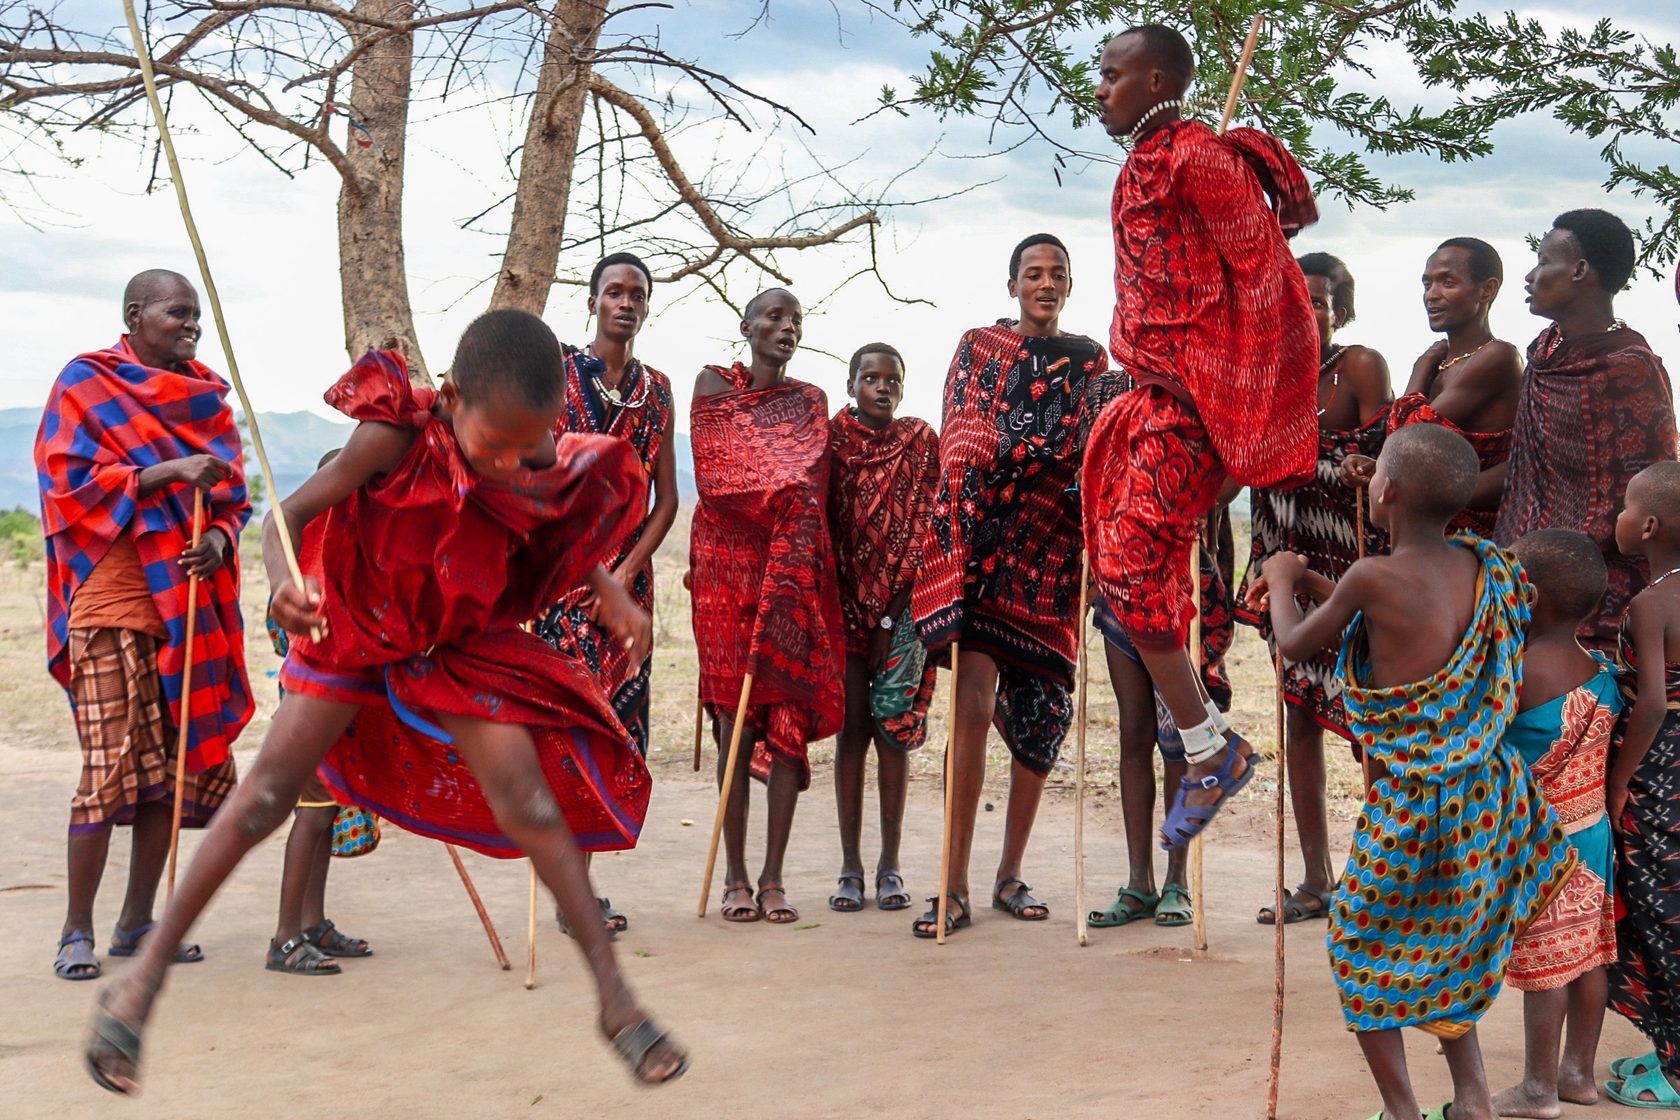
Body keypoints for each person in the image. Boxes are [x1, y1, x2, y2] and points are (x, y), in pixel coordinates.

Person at [82, 309, 688, 1093]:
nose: (508, 463)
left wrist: (609, 589)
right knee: (265, 797)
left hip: (453, 637)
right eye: (492, 444)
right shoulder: (393, 437)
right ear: (453, 396)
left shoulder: (526, 446)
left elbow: (550, 526)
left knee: (532, 806)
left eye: (522, 447)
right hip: (354, 625)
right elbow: (286, 518)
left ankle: (617, 1001)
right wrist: (286, 581)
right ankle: (138, 987)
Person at [1252, 424, 1574, 1120]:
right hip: (1489, 794)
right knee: (1446, 941)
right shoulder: (1484, 566)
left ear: (1387, 489)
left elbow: (1295, 641)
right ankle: (1472, 1100)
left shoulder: (1373, 578)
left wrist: (1283, 580)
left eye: (1374, 478)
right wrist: (1319, 581)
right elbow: (1408, 612)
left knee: (1359, 946)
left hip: (1413, 802)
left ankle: (1404, 1112)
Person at [1086, 24, 1320, 851]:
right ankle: (1209, 745)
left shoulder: (1200, 159)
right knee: (1122, 574)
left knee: (1128, 563)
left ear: (1155, 81)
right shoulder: (1142, 162)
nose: (1098, 88)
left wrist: (1227, 395)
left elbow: (1269, 279)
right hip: (1152, 398)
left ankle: (1209, 748)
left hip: (1189, 406)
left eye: (1111, 75)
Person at [36, 270, 251, 982]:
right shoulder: (86, 383)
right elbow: (66, 484)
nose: (191, 325)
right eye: (177, 313)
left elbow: (232, 496)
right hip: (108, 603)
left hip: (184, 605)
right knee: (107, 768)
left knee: (170, 772)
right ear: (135, 315)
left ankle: (135, 922)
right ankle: (76, 931)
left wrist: (218, 539)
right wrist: (166, 472)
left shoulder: (206, 397)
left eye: (195, 315)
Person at [909, 234, 1105, 938]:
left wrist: (1086, 542)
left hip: (1051, 553)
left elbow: (1088, 450)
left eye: (1056, 274)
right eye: (1033, 273)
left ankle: (1008, 875)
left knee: (1043, 718)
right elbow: (960, 434)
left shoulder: (1088, 360)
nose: (1044, 283)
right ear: (1013, 283)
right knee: (970, 705)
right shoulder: (979, 347)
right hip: (983, 547)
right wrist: (1012, 462)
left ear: (1070, 285)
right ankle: (952, 885)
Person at [1236, 251, 1390, 925]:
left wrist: (1364, 462)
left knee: (1373, 720)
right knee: (1298, 713)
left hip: (1351, 561)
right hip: (1288, 560)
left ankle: (1382, 877)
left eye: (1321, 302)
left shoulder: (1360, 366)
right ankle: (1315, 878)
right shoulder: (1262, 376)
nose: (1309, 312)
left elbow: (1395, 450)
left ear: (1340, 309)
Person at [689, 287, 845, 925]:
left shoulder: (810, 403)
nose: (786, 328)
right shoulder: (710, 385)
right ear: (746, 326)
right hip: (725, 570)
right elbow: (718, 475)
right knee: (734, 720)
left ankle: (774, 877)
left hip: (790, 575)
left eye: (796, 321)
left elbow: (812, 492)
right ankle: (734, 878)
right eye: (775, 317)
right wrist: (781, 496)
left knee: (784, 722)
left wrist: (789, 519)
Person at [535, 251, 677, 938]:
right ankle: (570, 894)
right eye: (614, 292)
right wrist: (590, 570)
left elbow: (666, 499)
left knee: (613, 737)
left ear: (647, 306)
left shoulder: (658, 391)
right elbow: (537, 476)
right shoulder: (556, 374)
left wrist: (624, 576)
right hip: (562, 584)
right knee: (568, 734)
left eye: (637, 295)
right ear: (592, 300)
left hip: (630, 587)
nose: (625, 303)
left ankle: (585, 886)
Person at [1495, 209, 1678, 649]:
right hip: (1521, 586)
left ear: (1578, 271)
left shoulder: (1628, 368)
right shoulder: (1544, 352)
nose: (1529, 276)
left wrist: (1555, 558)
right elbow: (1525, 467)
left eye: (1542, 262)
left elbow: (1651, 491)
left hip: (1597, 605)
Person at [1489, 529, 1620, 1117]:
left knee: (1545, 959)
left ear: (1529, 595)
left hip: (1541, 843)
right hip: (1593, 834)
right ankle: (1578, 1074)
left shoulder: (1517, 672)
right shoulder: (1599, 671)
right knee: (1589, 954)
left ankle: (1538, 1088)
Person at [826, 342, 939, 913]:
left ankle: (890, 865)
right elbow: (818, 525)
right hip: (841, 608)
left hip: (903, 611)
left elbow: (925, 529)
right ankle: (849, 867)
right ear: (852, 385)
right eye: (869, 378)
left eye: (891, 379)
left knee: (892, 731)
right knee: (851, 732)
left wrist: (890, 616)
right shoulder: (828, 442)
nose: (882, 387)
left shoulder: (920, 442)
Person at [266, 451, 374, 976]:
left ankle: (313, 923)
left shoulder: (354, 555)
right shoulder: (309, 562)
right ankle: (286, 937)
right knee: (312, 811)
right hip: (310, 699)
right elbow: (281, 633)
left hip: (339, 702)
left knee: (326, 810)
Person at [1342, 238, 1523, 537]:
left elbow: (1407, 435)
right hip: (1434, 537)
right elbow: (1407, 452)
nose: (1431, 295)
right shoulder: (1446, 364)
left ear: (1487, 289)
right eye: (1427, 284)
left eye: (1447, 283)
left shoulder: (1497, 356)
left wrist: (1420, 365)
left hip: (1473, 542)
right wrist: (1378, 468)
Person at [1605, 461, 1680, 1109]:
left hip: (1661, 772)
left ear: (1649, 525)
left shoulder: (1650, 603)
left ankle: (1678, 1065)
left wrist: (1621, 780)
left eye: (1625, 508)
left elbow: (1652, 704)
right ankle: (1668, 1048)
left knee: (1659, 910)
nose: (1617, 519)